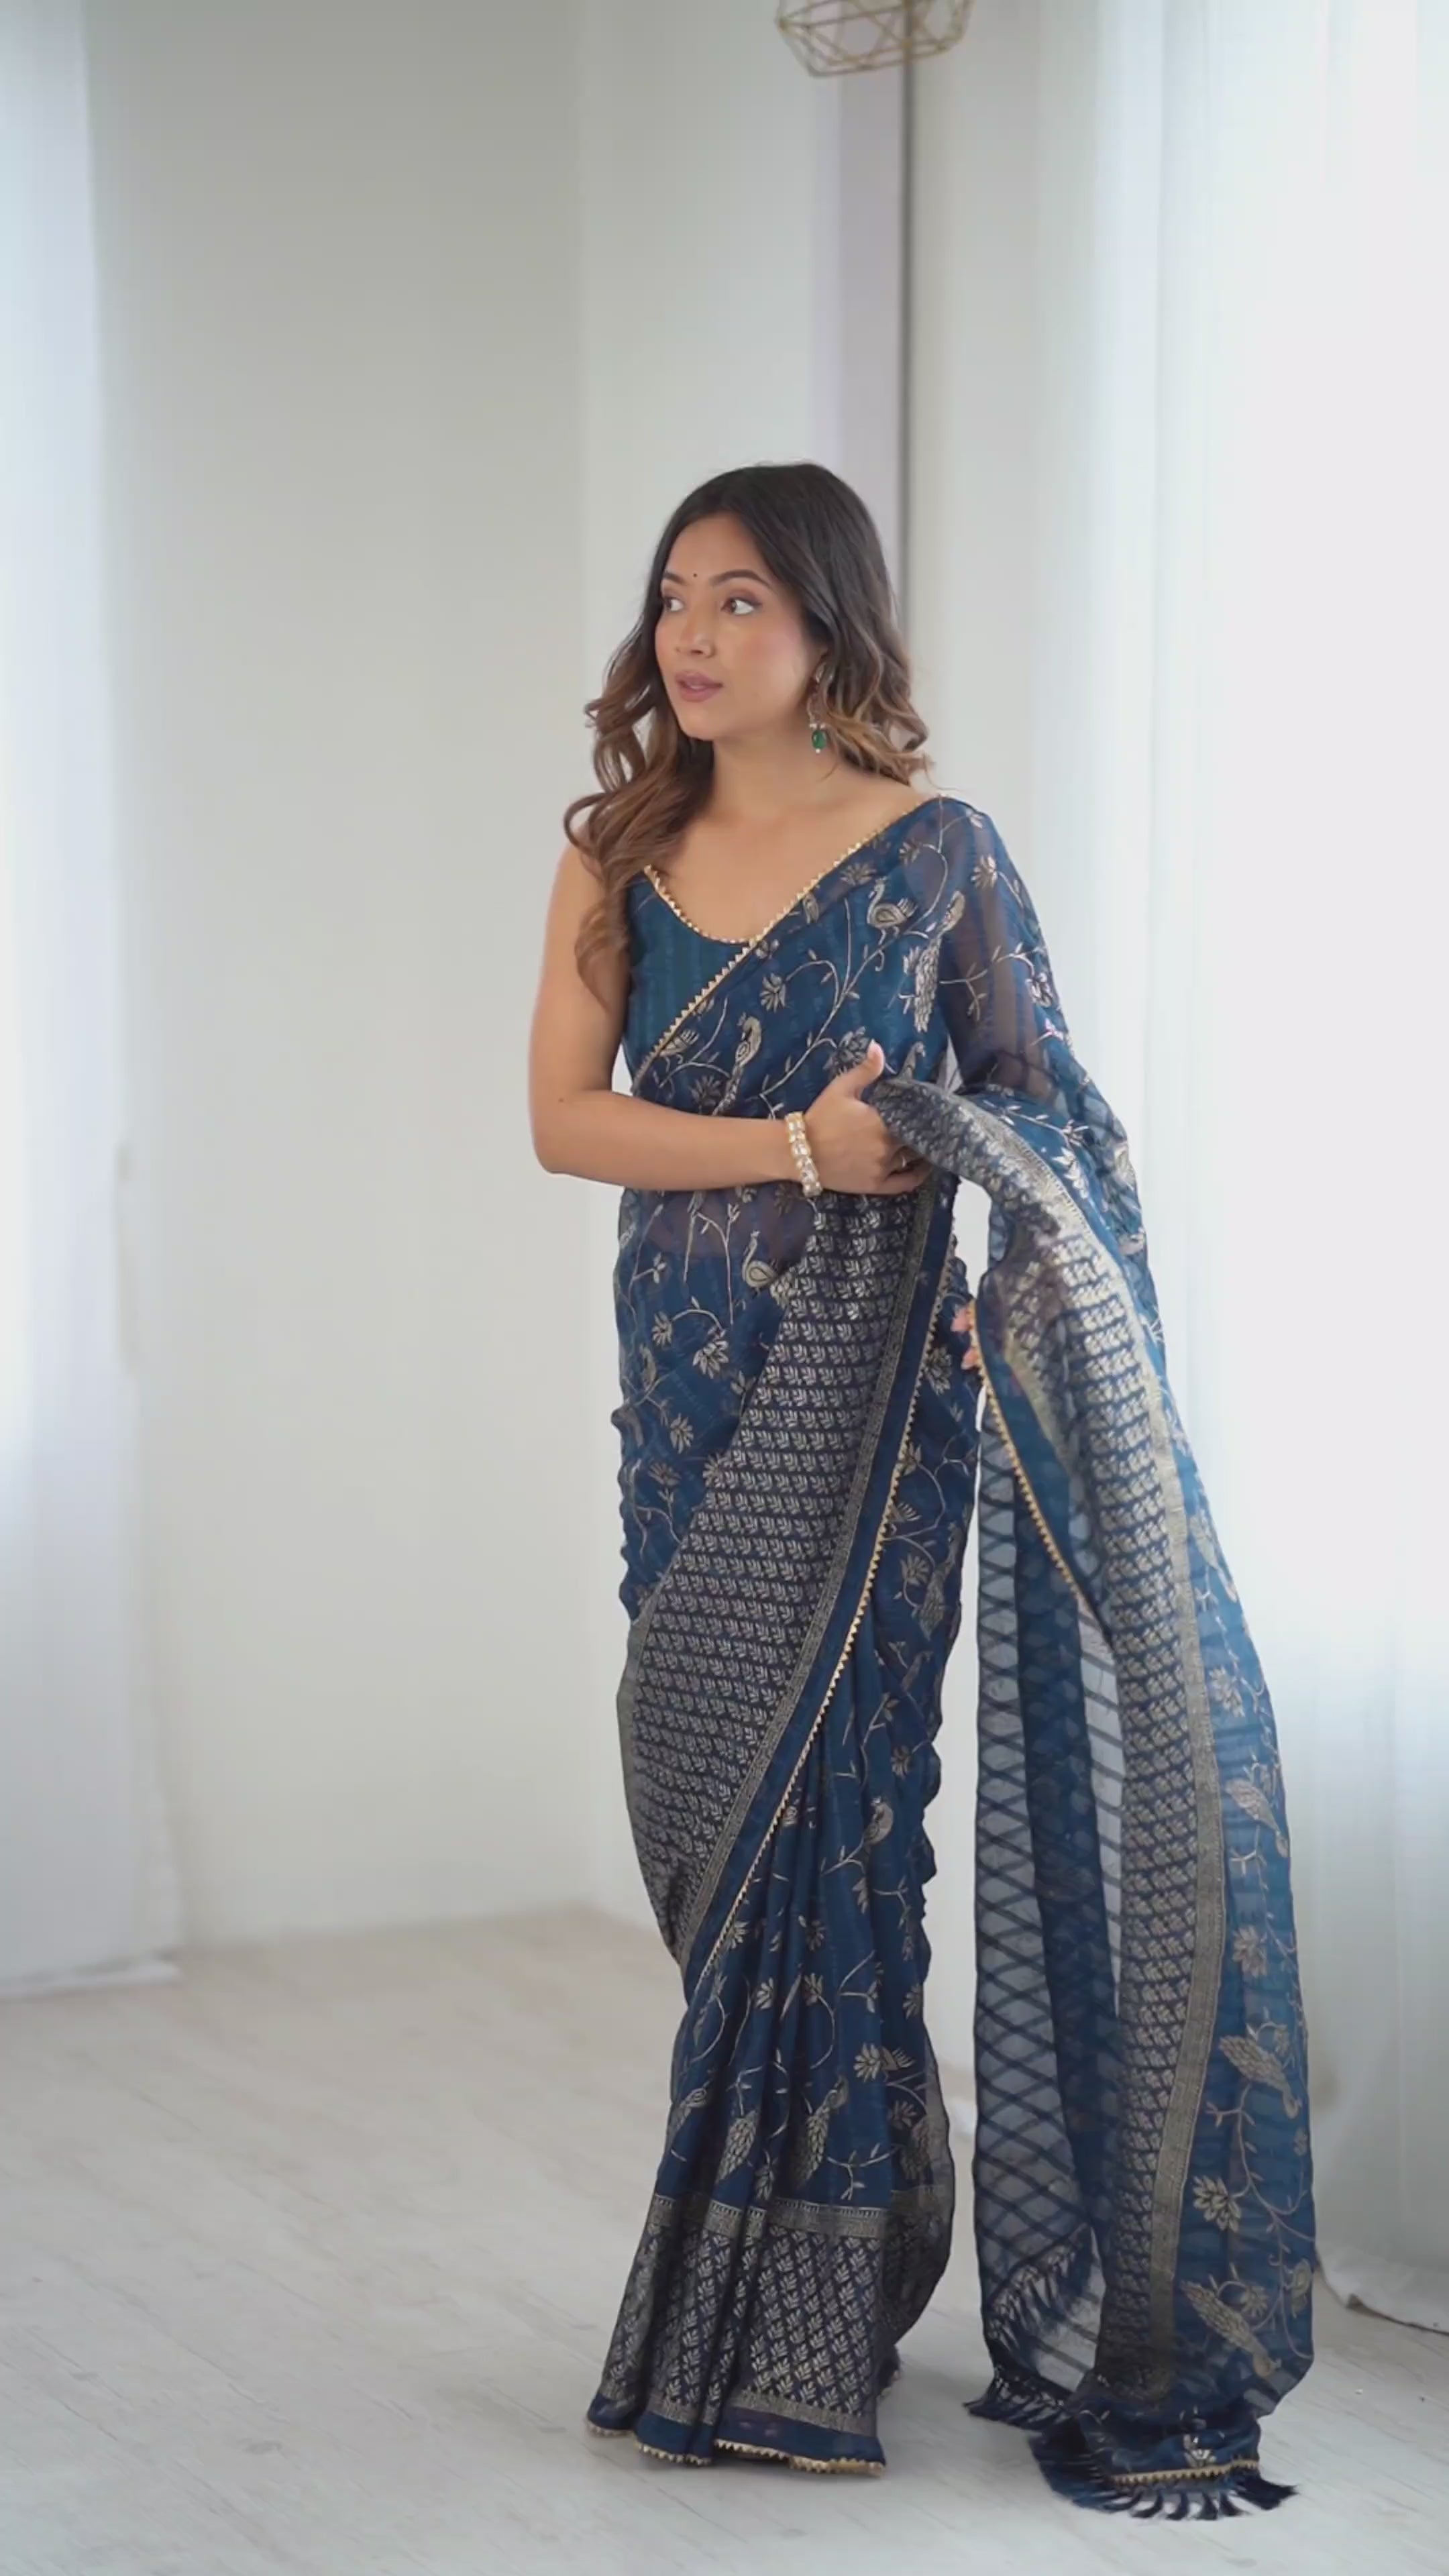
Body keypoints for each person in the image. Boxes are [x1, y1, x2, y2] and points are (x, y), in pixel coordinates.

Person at [527, 462, 1314, 2518]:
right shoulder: (620, 850)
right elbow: (565, 1124)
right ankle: (757, 2284)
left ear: (831, 628)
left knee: (853, 1812)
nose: (695, 636)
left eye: (742, 600)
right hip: (687, 1388)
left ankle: (811, 2314)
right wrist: (800, 1148)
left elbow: (1051, 1119)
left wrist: (986, 1233)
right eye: (675, 597)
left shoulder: (935, 853)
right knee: (718, 1795)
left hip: (883, 1397)